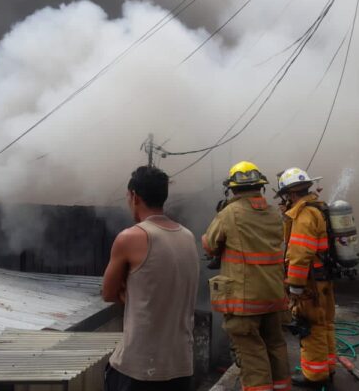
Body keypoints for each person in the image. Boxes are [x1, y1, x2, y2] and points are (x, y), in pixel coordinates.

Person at [102, 166, 200, 391]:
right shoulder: (187, 236)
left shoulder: (131, 237)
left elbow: (107, 293)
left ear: (134, 196)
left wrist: (128, 291)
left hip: (138, 368)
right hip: (181, 366)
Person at [203, 161, 291, 391]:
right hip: (274, 295)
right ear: (260, 187)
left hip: (245, 300)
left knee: (251, 351)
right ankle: (282, 387)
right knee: (275, 344)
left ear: (232, 189)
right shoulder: (275, 213)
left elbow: (210, 245)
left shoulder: (229, 214)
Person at [276, 167, 336, 389]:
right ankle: (328, 368)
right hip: (323, 278)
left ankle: (315, 376)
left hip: (309, 282)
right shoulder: (319, 208)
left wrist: (295, 288)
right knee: (325, 323)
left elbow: (300, 255)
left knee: (310, 327)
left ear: (290, 194)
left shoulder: (304, 216)